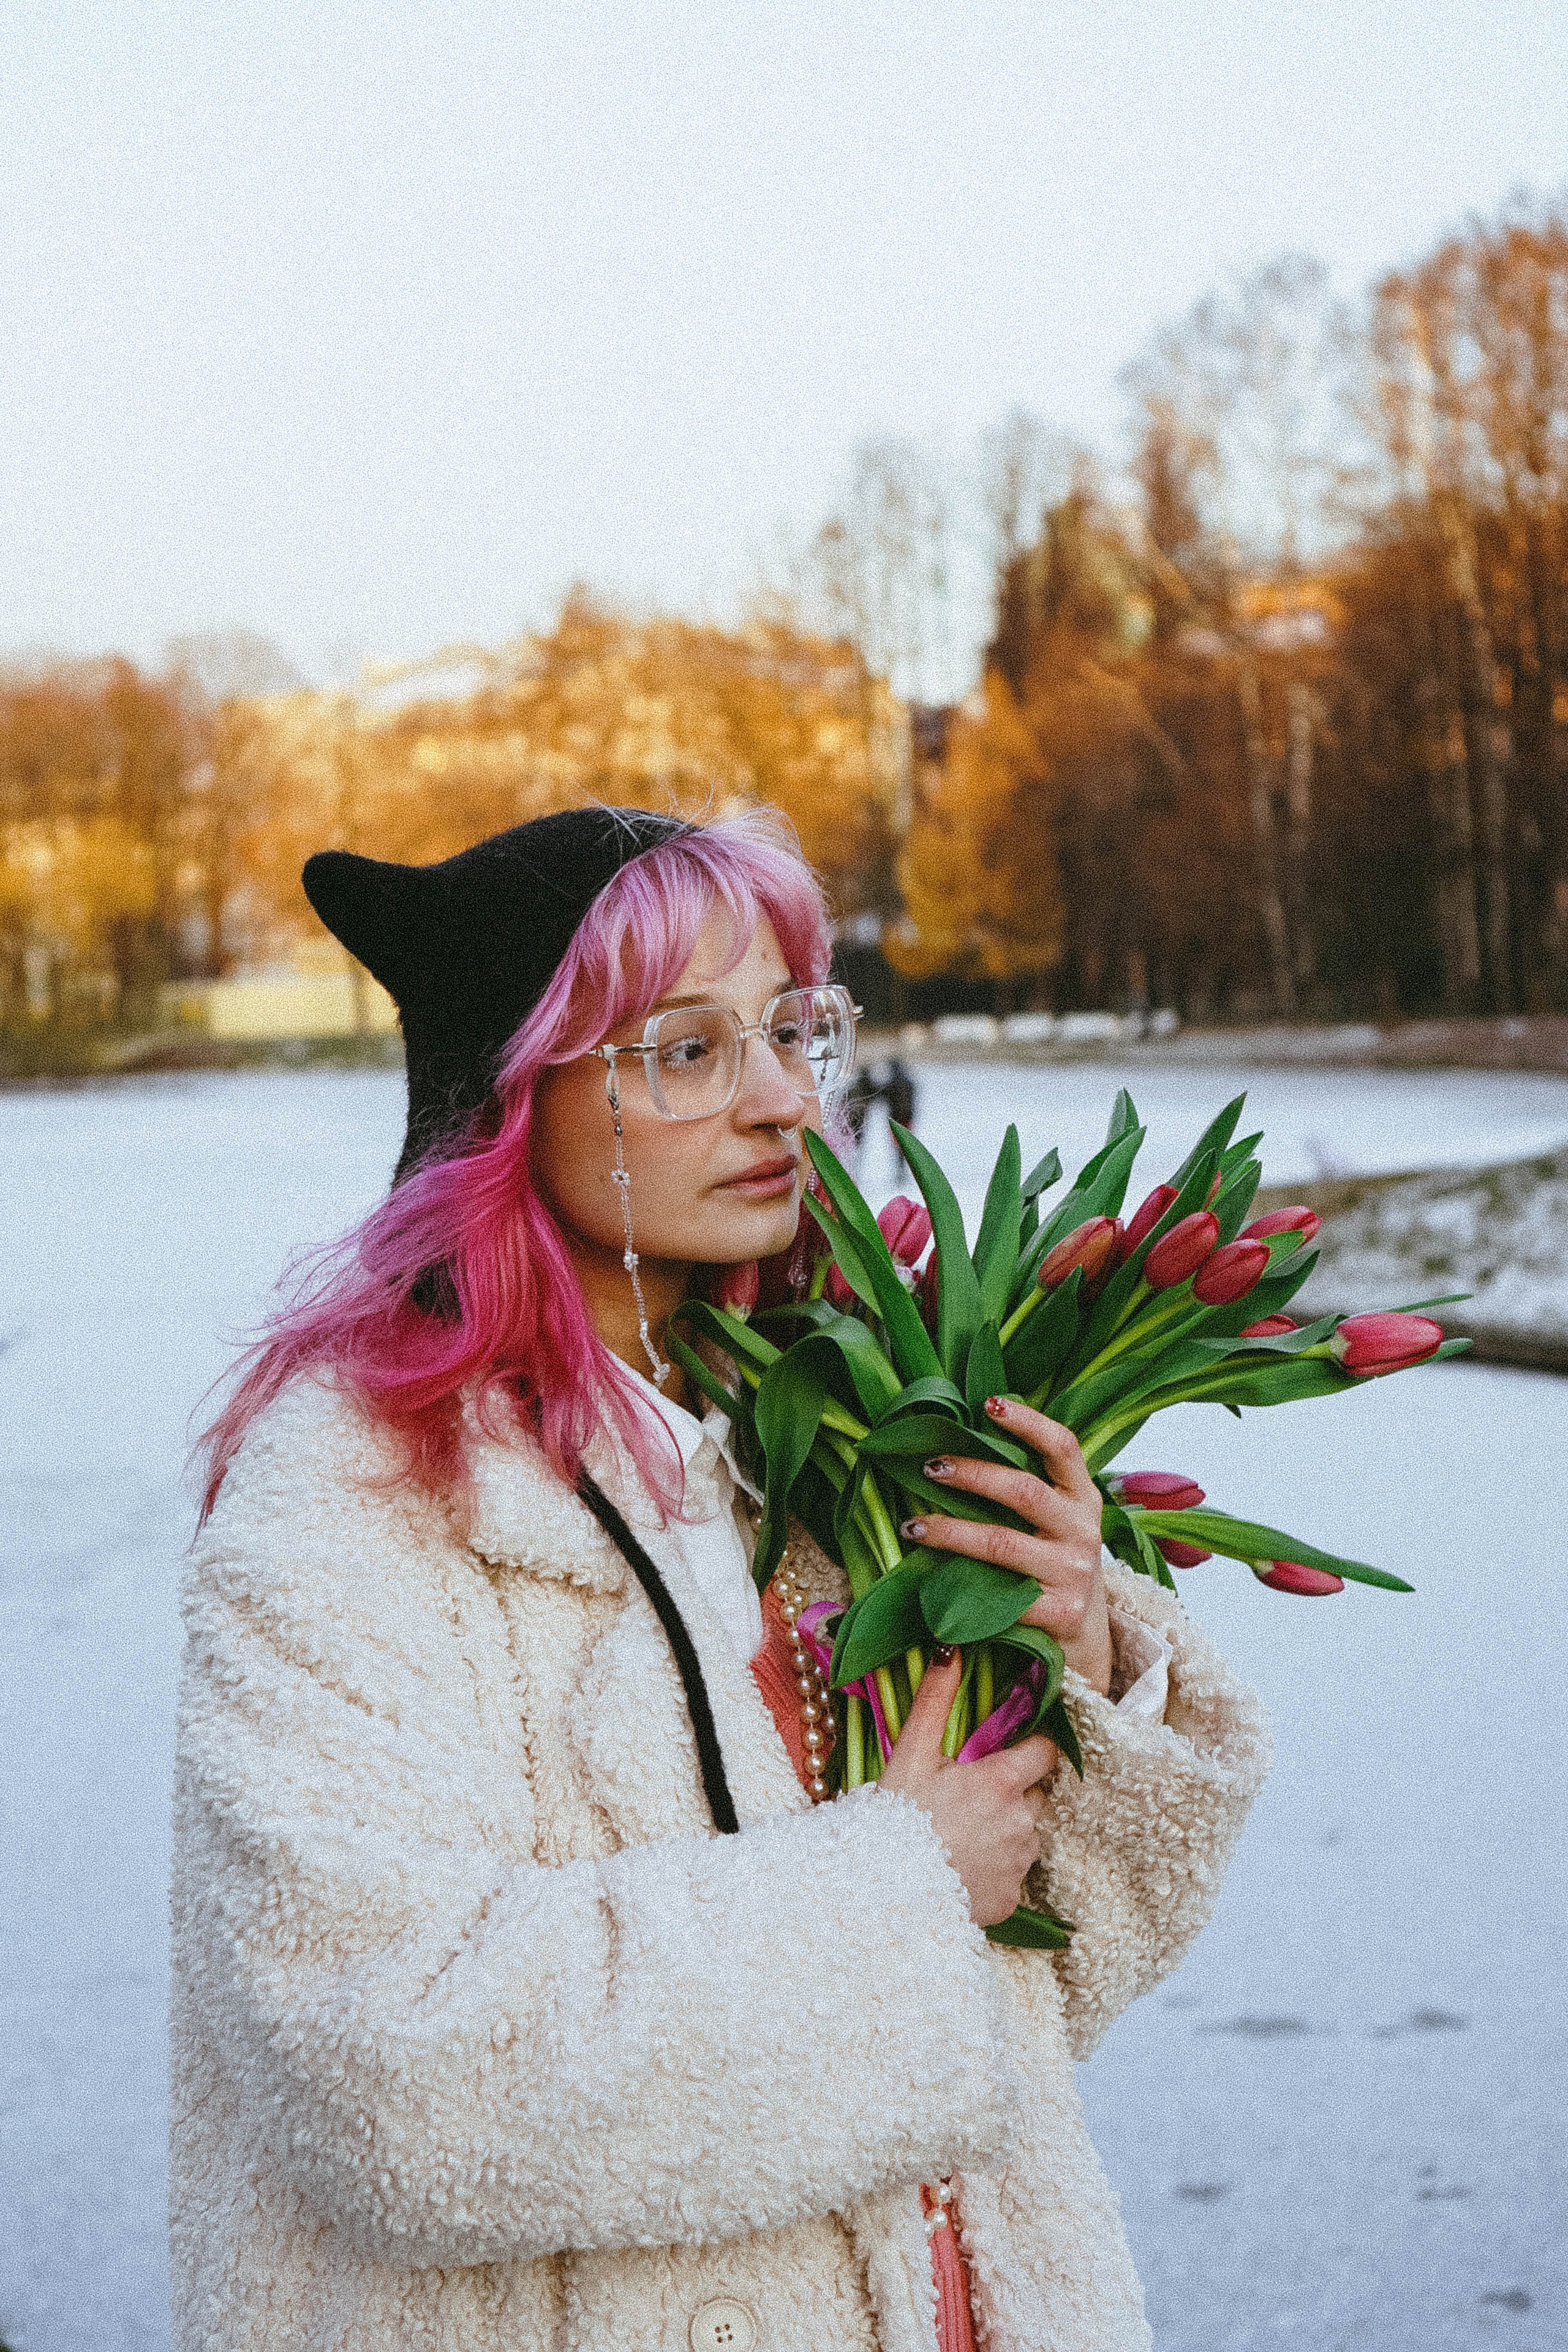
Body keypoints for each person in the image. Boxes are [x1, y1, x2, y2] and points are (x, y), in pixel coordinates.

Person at [172, 805, 1270, 2352]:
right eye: (685, 1051)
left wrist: (1068, 1661)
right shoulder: (354, 1499)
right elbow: (387, 2077)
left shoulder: (808, 1439)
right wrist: (896, 1885)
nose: (781, 1103)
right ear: (509, 1094)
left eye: (789, 1029)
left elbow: (1027, 1997)